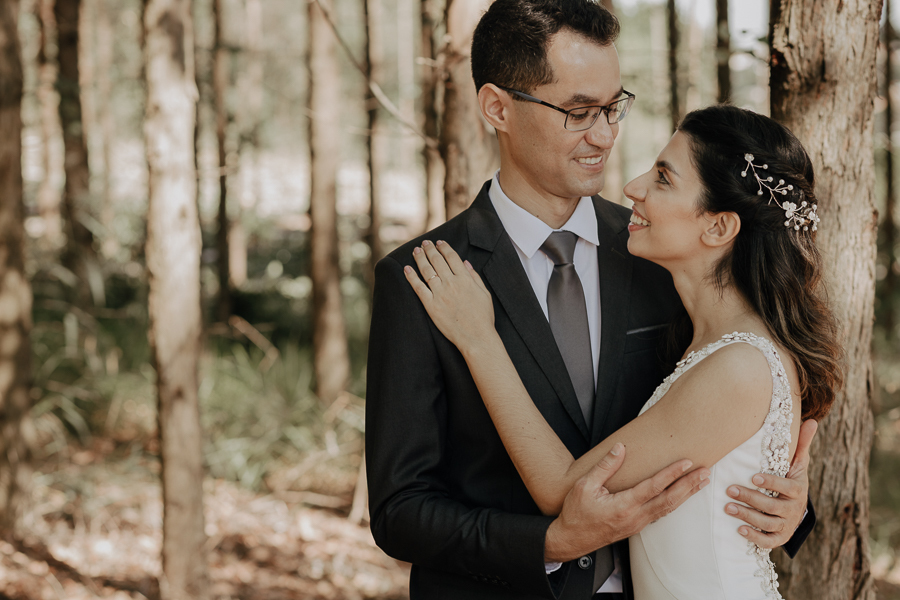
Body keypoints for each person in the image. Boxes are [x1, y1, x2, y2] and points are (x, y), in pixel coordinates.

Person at [365, 1, 818, 598]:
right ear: (497, 108)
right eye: (578, 113)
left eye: (612, 107)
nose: (604, 135)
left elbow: (734, 410)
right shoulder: (423, 278)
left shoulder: (666, 255)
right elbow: (399, 511)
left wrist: (791, 506)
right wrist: (549, 544)